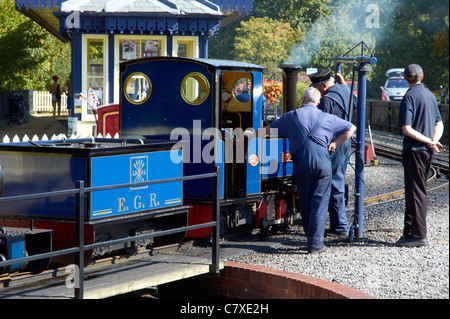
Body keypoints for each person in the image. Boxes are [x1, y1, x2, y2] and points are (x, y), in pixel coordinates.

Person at [245, 88, 356, 253]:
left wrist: (250, 135)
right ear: (318, 102)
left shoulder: (291, 117)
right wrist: (335, 144)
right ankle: (315, 245)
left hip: (302, 164)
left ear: (302, 99)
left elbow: (267, 131)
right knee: (319, 203)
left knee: (305, 201)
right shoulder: (328, 117)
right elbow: (351, 128)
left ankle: (310, 236)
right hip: (323, 164)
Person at [396, 64, 444, 247]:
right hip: (426, 151)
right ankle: (408, 231)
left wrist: (427, 141)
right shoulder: (430, 95)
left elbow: (407, 129)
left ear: (406, 78)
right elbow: (439, 123)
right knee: (415, 191)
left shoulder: (409, 97)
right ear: (421, 77)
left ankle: (418, 236)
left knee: (416, 192)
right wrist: (433, 140)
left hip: (415, 150)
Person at [308, 69, 354, 237]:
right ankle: (338, 224)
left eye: (317, 87)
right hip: (345, 140)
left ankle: (340, 226)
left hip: (334, 143)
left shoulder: (327, 100)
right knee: (337, 180)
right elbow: (354, 103)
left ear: (324, 85)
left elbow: (322, 127)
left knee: (334, 181)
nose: (317, 91)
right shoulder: (345, 89)